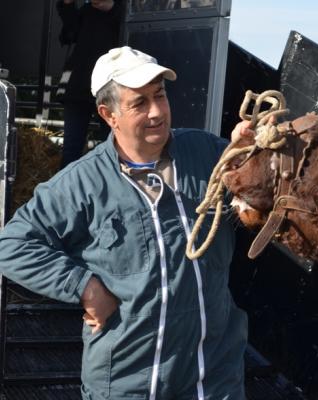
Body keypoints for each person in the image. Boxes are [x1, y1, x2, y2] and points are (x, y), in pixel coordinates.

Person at [0, 46, 248, 399]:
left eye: (160, 96)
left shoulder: (208, 153)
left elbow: (259, 188)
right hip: (128, 383)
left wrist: (251, 151)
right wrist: (84, 286)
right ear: (108, 114)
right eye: (139, 103)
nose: (157, 112)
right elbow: (12, 246)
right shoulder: (80, 184)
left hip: (213, 379)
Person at [56, 0, 123, 168]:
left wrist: (113, 8)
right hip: (79, 86)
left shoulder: (125, 11)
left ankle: (110, 188)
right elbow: (69, 33)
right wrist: (67, 4)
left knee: (113, 146)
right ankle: (65, 191)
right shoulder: (87, 11)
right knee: (71, 149)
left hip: (112, 86)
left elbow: (130, 32)